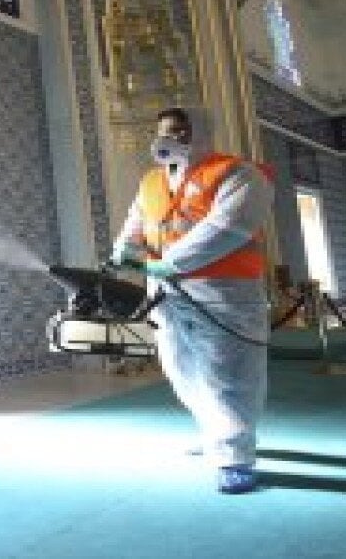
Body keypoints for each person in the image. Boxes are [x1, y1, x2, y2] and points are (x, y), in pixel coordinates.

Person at [110, 106, 274, 494]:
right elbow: (137, 223)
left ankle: (235, 457)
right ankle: (217, 433)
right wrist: (123, 251)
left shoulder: (238, 173)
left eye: (179, 132)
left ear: (200, 132)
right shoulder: (151, 181)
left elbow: (226, 229)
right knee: (182, 370)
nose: (167, 139)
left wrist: (169, 263)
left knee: (227, 375)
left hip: (222, 293)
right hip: (165, 294)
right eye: (163, 132)